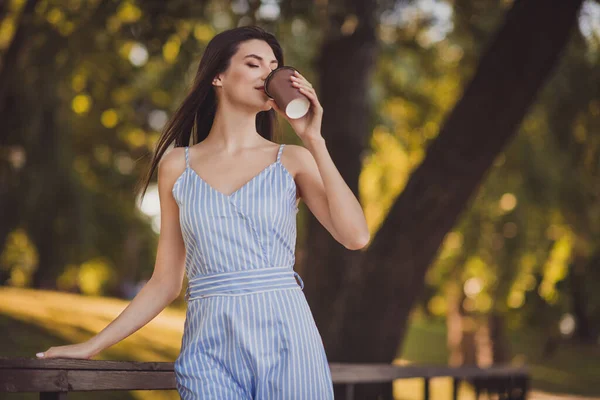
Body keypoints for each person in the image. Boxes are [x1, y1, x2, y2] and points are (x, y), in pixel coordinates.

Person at [36, 25, 370, 399]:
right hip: (208, 346)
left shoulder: (293, 160)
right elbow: (165, 282)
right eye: (254, 63)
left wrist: (314, 139)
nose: (269, 74)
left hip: (286, 336)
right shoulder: (177, 166)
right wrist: (91, 346)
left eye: (274, 66)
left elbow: (355, 237)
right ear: (218, 76)